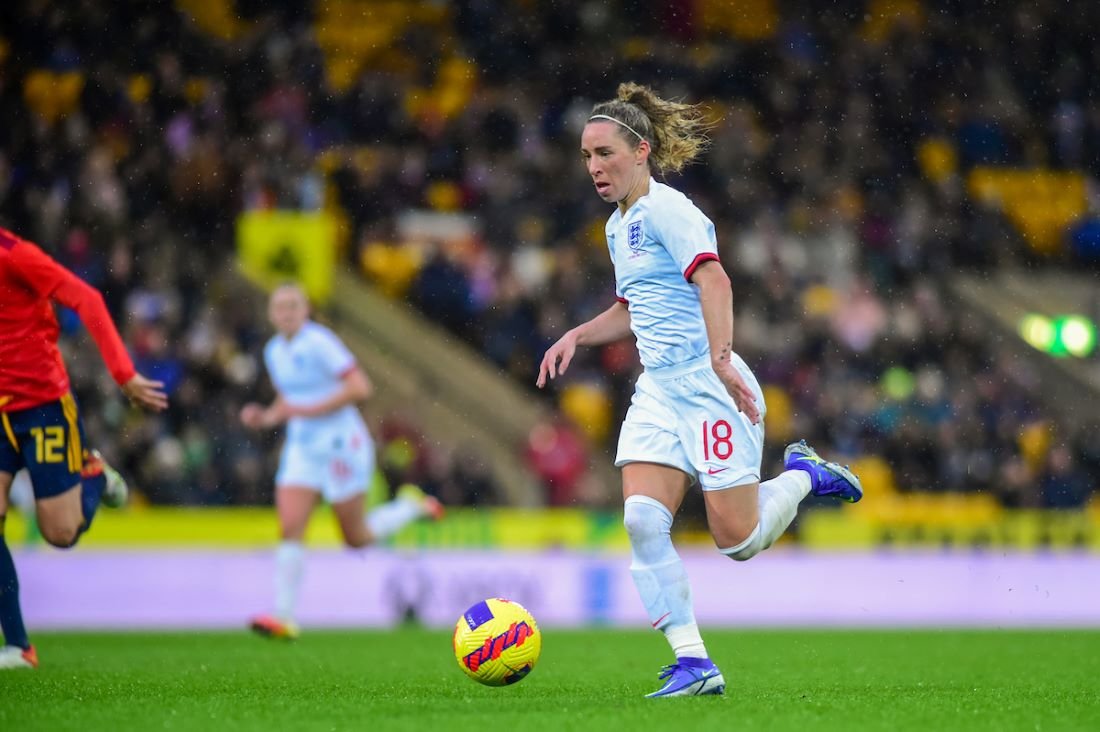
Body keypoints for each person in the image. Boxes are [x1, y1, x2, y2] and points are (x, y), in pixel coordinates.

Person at [537, 83, 864, 698]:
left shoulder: (670, 210)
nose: (594, 168)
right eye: (586, 157)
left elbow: (714, 281)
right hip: (659, 389)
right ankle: (694, 663)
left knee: (736, 542)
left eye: (604, 153)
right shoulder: (617, 227)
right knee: (639, 519)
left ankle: (803, 476)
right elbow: (635, 307)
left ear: (641, 150)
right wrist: (578, 335)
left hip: (709, 383)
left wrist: (719, 360)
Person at [0, 227, 169, 670]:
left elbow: (87, 298)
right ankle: (19, 646)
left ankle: (93, 476)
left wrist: (123, 372)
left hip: (41, 407)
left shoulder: (16, 255)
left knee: (60, 533)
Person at [240, 283, 443, 640]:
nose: (286, 313)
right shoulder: (274, 351)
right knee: (290, 525)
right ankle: (283, 616)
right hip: (302, 446)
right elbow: (291, 399)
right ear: (271, 314)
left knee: (355, 537)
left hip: (340, 443)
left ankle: (410, 508)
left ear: (306, 310)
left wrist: (302, 410)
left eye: (293, 306)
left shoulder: (320, 342)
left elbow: (360, 388)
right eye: (280, 307)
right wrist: (267, 417)